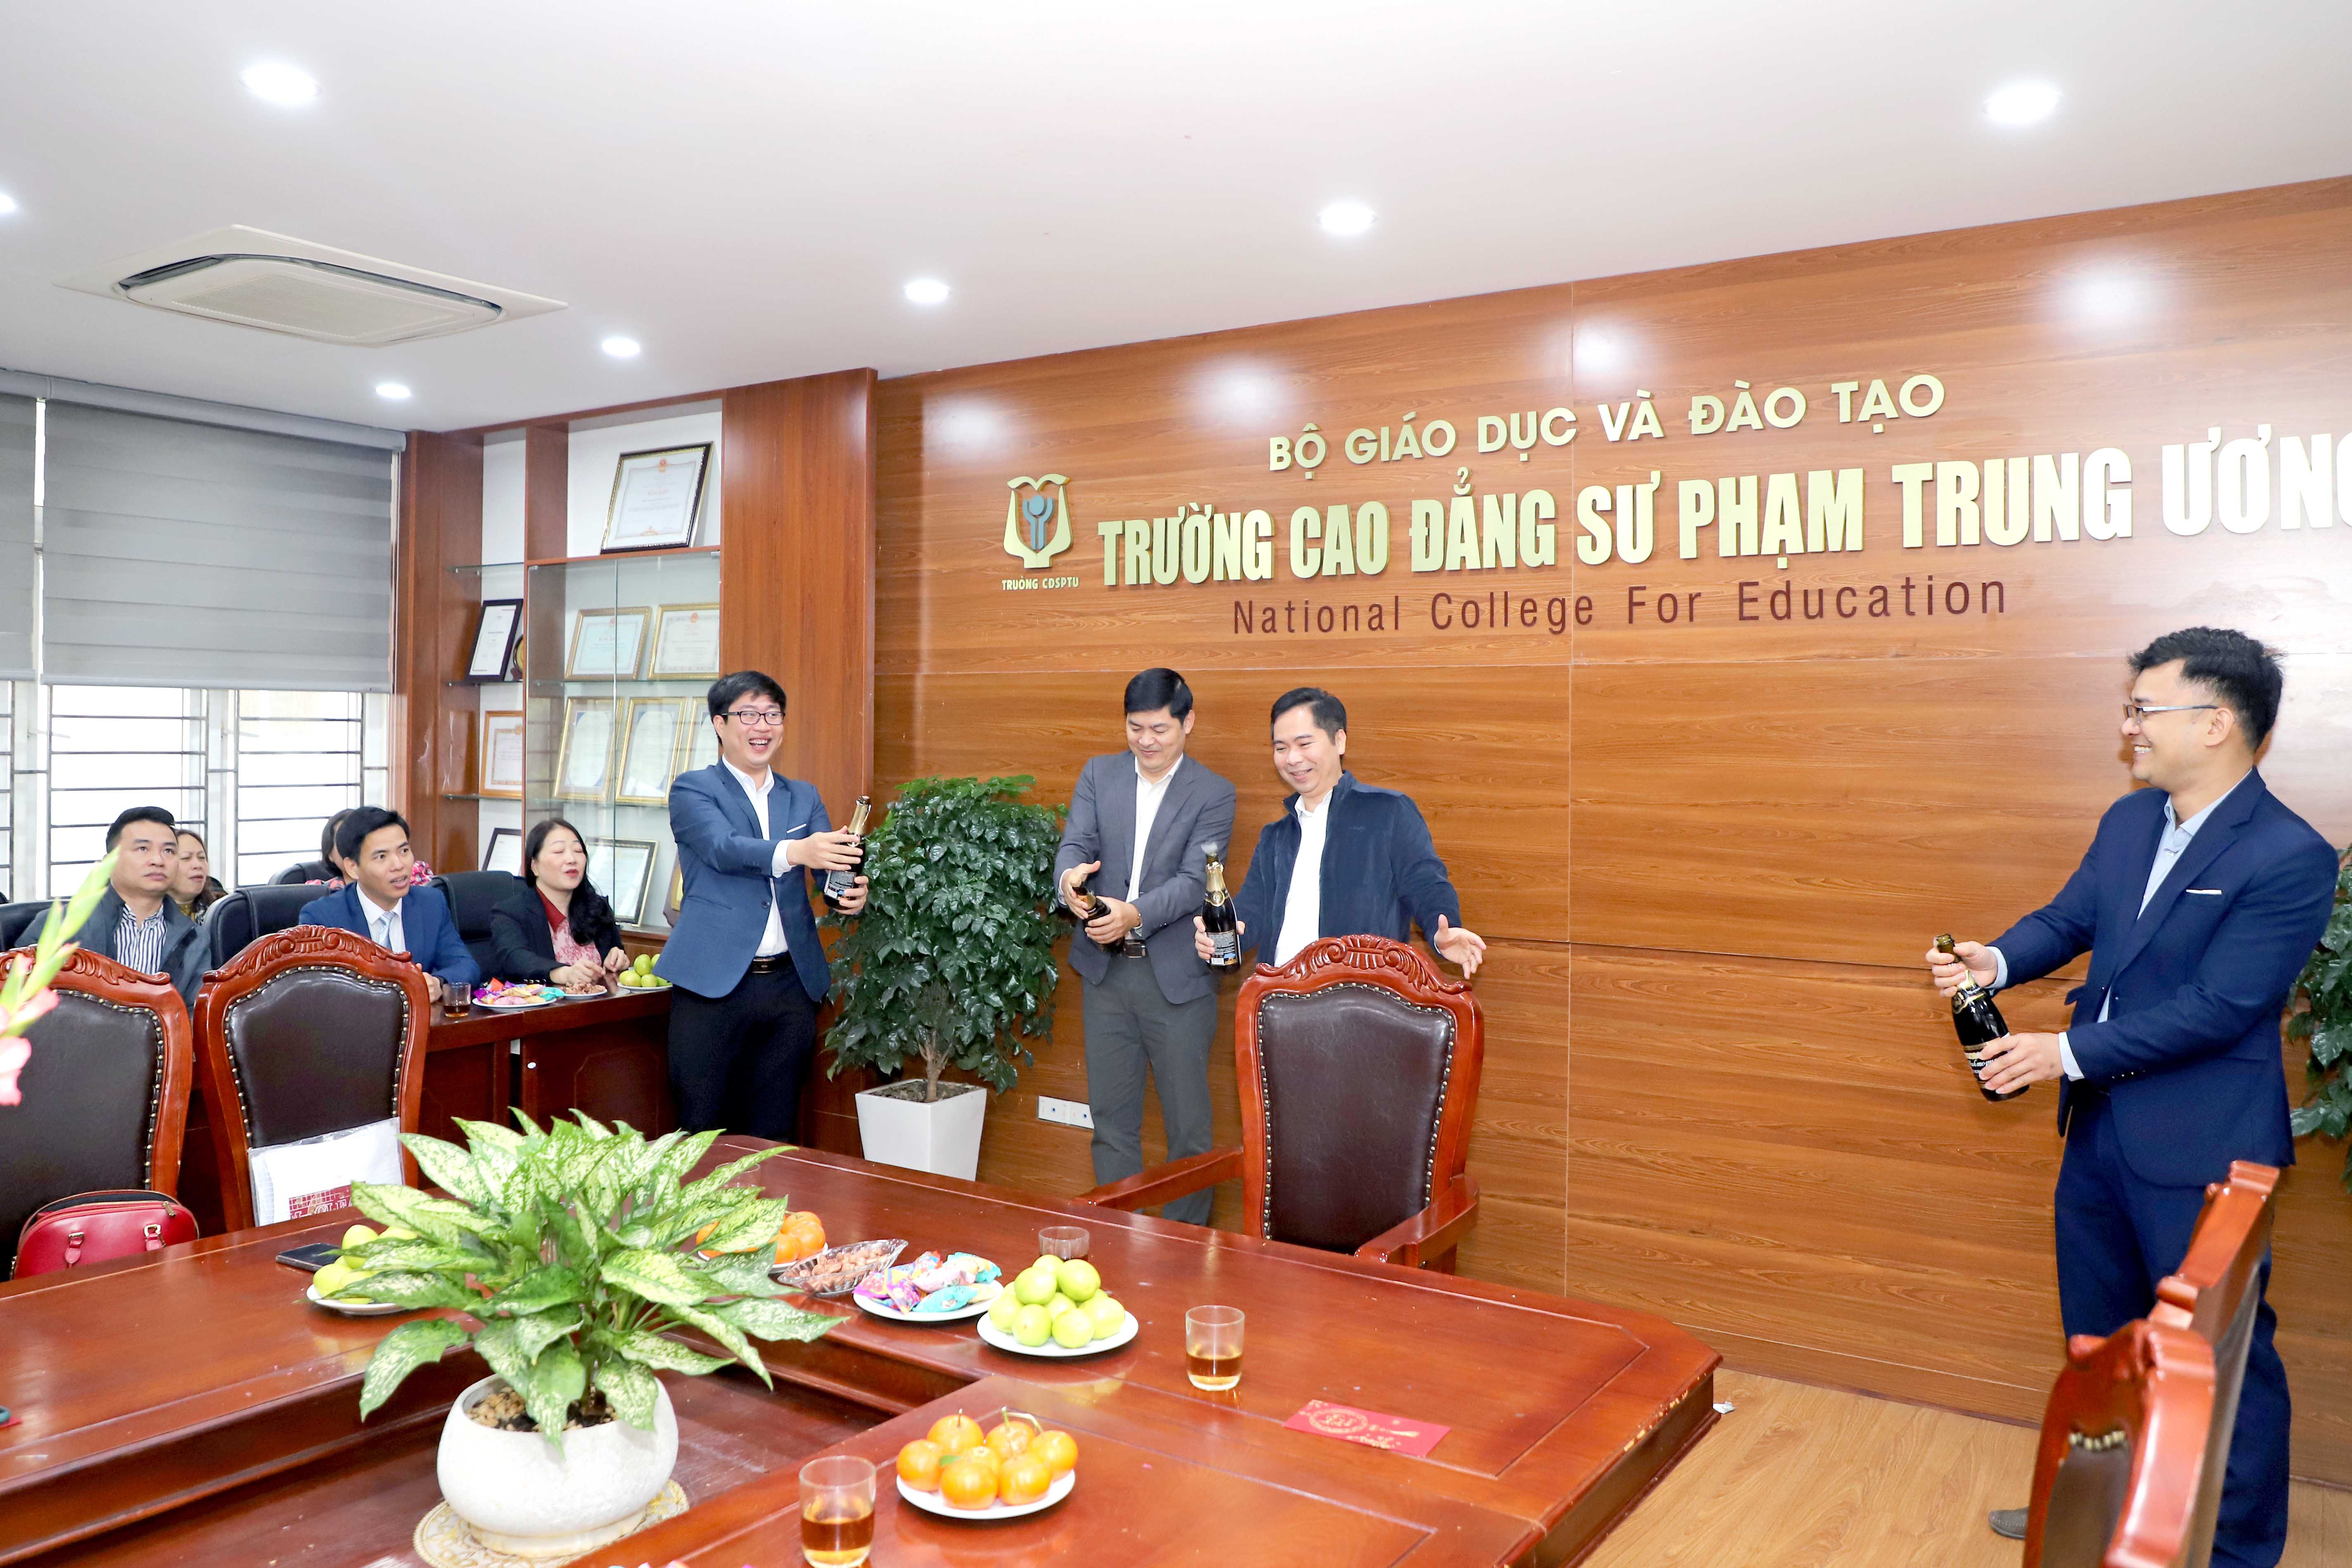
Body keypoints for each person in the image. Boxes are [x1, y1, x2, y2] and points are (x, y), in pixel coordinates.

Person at [1926, 628, 2335, 1566]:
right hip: (2100, 1129)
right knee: (2099, 1345)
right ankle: (2092, 1515)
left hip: (2204, 1147)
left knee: (2221, 1359)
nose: (2129, 728)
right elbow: (2070, 918)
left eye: (2144, 710)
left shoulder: (2289, 855)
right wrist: (1997, 960)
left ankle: (2234, 1548)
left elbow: (2219, 1009)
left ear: (2216, 721)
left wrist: (2061, 1052)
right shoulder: (2128, 821)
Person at [1052, 669, 1237, 1225]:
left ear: (1188, 722)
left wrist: (1132, 914)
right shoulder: (1099, 773)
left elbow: (1194, 881)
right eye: (1136, 728)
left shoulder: (1214, 792)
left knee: (1188, 1130)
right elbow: (1075, 845)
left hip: (1176, 980)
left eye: (1159, 728)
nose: (1146, 740)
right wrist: (1068, 881)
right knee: (1111, 1122)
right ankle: (1116, 1239)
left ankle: (1185, 1248)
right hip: (1105, 975)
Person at [657, 671, 867, 1139]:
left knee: (775, 1131)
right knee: (702, 1130)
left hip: (789, 986)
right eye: (749, 715)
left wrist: (849, 894)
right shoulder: (694, 789)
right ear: (719, 724)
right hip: (712, 985)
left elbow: (828, 870)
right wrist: (796, 851)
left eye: (773, 715)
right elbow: (722, 849)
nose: (762, 727)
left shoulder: (803, 796)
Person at [1197, 687, 1485, 977]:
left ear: (1339, 741)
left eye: (1304, 744)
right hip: (1279, 994)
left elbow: (1426, 884)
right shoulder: (1276, 836)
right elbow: (1252, 912)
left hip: (1362, 993)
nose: (1292, 759)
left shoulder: (1387, 811)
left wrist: (1443, 930)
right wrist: (1220, 936)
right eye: (1281, 748)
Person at [297, 807, 480, 1002]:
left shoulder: (431, 903)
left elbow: (466, 966)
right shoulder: (323, 918)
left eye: (404, 851)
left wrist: (438, 983)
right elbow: (316, 992)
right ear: (353, 868)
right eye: (382, 857)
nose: (399, 865)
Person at [71, 807, 206, 1011]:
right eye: (143, 849)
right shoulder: (66, 925)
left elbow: (196, 1014)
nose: (158, 861)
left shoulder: (195, 938)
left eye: (168, 851)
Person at [490, 817, 629, 990]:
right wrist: (562, 974)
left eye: (578, 851)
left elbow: (615, 957)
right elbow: (515, 960)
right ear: (535, 866)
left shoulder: (597, 908)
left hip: (599, 1005)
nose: (571, 859)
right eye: (558, 852)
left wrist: (617, 959)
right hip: (545, 1006)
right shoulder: (510, 913)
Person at [169, 829, 227, 920]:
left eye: (202, 858)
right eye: (186, 858)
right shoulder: (149, 917)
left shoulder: (223, 909)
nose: (198, 865)